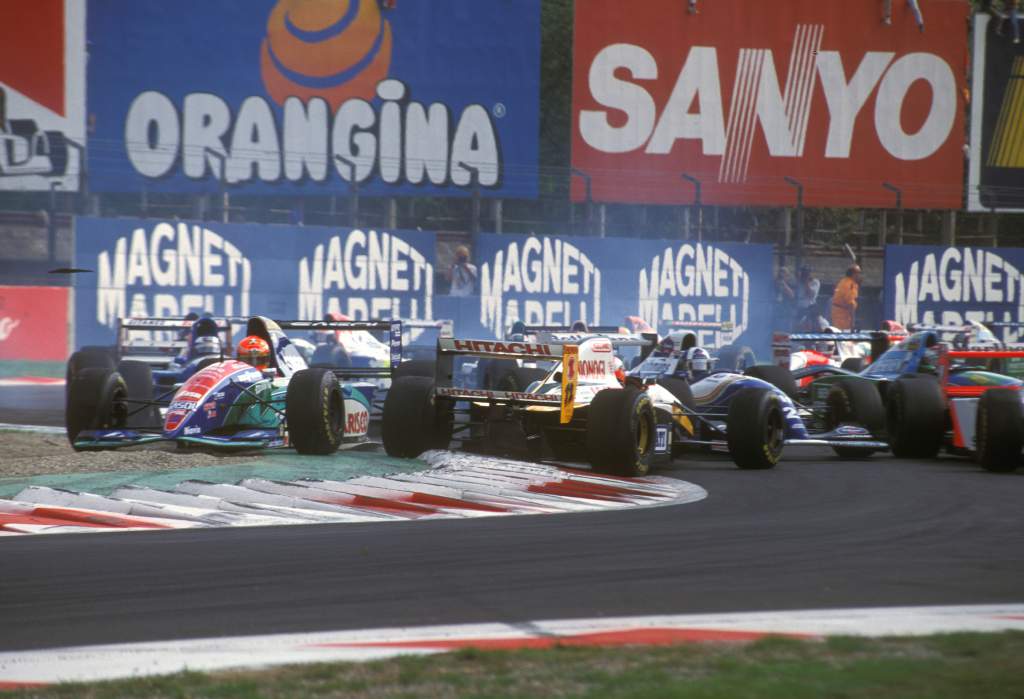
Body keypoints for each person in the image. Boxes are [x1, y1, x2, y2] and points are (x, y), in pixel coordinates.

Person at [831, 265, 862, 331]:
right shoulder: (850, 284)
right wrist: (853, 323)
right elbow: (850, 304)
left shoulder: (844, 281)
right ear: (853, 274)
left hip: (838, 312)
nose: (860, 275)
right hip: (842, 315)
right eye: (858, 273)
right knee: (844, 336)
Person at [794, 265, 821, 331]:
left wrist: (805, 281)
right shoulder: (798, 282)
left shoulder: (815, 282)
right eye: (803, 273)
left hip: (810, 308)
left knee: (812, 327)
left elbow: (811, 294)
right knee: (797, 327)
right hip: (800, 308)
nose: (804, 275)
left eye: (806, 273)